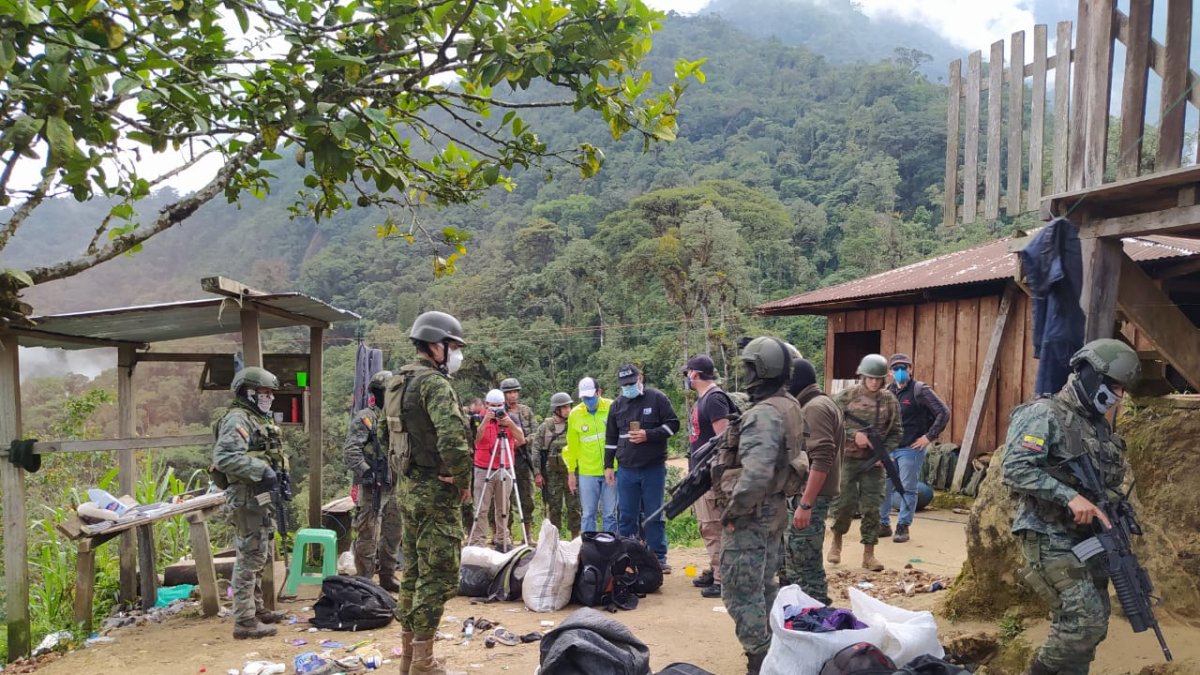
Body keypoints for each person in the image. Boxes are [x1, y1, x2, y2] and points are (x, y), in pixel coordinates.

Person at [1002, 338, 1141, 675]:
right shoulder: (1044, 414)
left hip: (1090, 539)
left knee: (1095, 624)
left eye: (1122, 389)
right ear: (1092, 376)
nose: (1119, 396)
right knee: (1083, 623)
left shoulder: (1098, 425)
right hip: (1048, 534)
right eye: (1114, 386)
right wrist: (1068, 496)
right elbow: (1015, 469)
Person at [388, 310, 472, 675]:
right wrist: (463, 480)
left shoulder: (398, 380)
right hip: (436, 492)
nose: (457, 354)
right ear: (436, 346)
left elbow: (389, 436)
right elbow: (452, 438)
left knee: (412, 572)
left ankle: (409, 658)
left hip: (408, 488)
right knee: (437, 576)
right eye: (453, 346)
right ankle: (423, 663)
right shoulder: (434, 384)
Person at [716, 337, 804, 675]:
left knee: (740, 590)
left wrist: (733, 510)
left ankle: (759, 659)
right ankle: (772, 656)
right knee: (765, 586)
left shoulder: (764, 414)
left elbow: (755, 474)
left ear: (763, 369)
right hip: (774, 511)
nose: (747, 374)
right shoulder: (788, 404)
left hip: (753, 515)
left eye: (750, 367)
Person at [211, 366, 288, 640]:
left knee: (261, 552)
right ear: (249, 392)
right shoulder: (238, 419)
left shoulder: (256, 419)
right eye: (265, 392)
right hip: (246, 497)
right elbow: (224, 457)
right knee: (249, 556)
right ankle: (244, 621)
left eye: (271, 392)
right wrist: (261, 470)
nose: (270, 397)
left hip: (259, 496)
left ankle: (256, 609)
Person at [827, 354, 902, 572]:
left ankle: (869, 554)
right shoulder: (846, 396)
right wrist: (853, 435)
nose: (874, 383)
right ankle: (836, 543)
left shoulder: (889, 401)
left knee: (872, 507)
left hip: (874, 463)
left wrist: (883, 454)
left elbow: (897, 432)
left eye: (878, 379)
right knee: (843, 504)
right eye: (870, 378)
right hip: (848, 459)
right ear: (863, 376)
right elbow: (830, 421)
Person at [780, 357, 844, 606]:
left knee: (805, 562)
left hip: (810, 497)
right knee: (795, 559)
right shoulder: (816, 403)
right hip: (805, 495)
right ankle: (802, 612)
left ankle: (816, 612)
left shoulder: (815, 408)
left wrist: (806, 503)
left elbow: (822, 457)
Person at [605, 364, 680, 572]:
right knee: (626, 515)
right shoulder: (617, 406)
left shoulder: (657, 398)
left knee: (654, 515)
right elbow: (610, 438)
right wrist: (608, 465)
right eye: (624, 385)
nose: (628, 387)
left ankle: (658, 557)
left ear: (640, 378)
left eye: (631, 383)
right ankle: (627, 557)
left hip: (652, 468)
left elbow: (673, 425)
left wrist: (649, 435)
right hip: (626, 469)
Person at [343, 369, 402, 591]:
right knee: (368, 533)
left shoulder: (396, 419)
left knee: (393, 532)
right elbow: (351, 451)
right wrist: (367, 472)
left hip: (394, 483)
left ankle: (387, 576)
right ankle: (366, 581)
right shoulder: (366, 419)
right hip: (373, 487)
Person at [880, 353, 949, 543]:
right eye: (896, 368)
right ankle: (883, 524)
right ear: (890, 372)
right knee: (884, 486)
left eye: (904, 367)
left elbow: (943, 412)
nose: (900, 371)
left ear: (910, 369)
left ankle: (903, 526)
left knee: (907, 488)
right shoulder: (888, 392)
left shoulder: (920, 390)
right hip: (891, 448)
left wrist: (929, 436)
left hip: (911, 448)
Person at [683, 353, 734, 598]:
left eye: (687, 373)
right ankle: (716, 570)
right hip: (702, 474)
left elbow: (723, 442)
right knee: (707, 526)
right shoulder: (704, 399)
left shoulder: (714, 399)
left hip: (712, 476)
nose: (687, 377)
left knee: (714, 527)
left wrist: (717, 479)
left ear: (694, 374)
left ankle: (722, 578)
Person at [468, 388, 525, 550]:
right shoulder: (478, 418)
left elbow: (521, 439)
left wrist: (509, 424)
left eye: (499, 405)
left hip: (505, 467)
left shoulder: (510, 417)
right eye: (492, 406)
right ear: (486, 404)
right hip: (483, 468)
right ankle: (478, 541)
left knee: (503, 506)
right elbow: (475, 441)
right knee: (481, 507)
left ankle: (502, 539)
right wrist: (485, 421)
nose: (496, 409)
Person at [564, 377, 617, 533]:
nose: (588, 401)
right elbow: (572, 446)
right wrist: (571, 472)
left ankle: (610, 544)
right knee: (588, 514)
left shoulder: (612, 407)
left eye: (590, 397)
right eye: (584, 398)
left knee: (610, 514)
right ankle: (588, 545)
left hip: (612, 469)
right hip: (588, 472)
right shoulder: (575, 414)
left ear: (599, 392)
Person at [532, 392, 581, 539]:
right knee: (554, 508)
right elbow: (536, 449)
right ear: (556, 409)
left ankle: (575, 538)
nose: (568, 410)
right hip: (552, 473)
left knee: (575, 506)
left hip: (572, 472)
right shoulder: (545, 427)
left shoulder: (574, 423)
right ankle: (555, 539)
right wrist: (537, 473)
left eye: (569, 406)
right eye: (564, 407)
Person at [500, 378, 539, 541]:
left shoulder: (526, 411)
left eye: (515, 392)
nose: (512, 395)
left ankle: (527, 535)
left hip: (523, 458)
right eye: (509, 392)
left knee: (527, 498)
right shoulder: (499, 412)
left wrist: (523, 441)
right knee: (504, 497)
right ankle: (504, 534)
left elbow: (536, 433)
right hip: (504, 459)